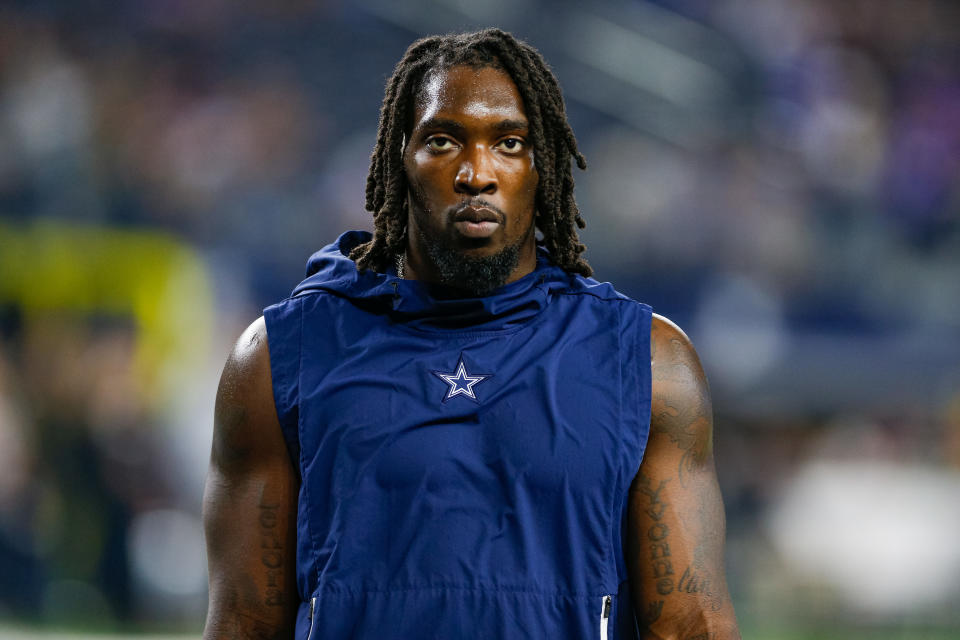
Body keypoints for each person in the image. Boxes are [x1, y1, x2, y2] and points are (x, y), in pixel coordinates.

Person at [202, 28, 740, 640]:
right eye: (442, 141)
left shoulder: (648, 361)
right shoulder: (281, 357)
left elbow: (690, 624)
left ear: (544, 168)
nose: (476, 173)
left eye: (509, 143)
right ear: (397, 159)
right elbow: (244, 624)